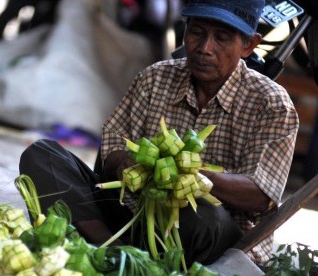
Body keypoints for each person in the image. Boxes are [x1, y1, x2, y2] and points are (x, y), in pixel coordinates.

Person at [19, 0, 299, 267]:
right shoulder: (155, 78)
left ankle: (113, 250)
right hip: (131, 216)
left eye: (222, 38)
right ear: (185, 31)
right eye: (197, 33)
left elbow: (262, 194)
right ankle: (113, 251)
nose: (204, 48)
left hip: (201, 233)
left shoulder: (271, 104)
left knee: (204, 216)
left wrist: (194, 178)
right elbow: (113, 143)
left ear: (249, 45)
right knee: (42, 156)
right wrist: (124, 163)